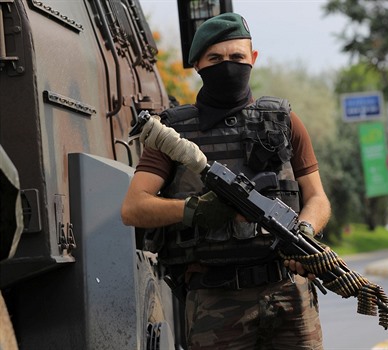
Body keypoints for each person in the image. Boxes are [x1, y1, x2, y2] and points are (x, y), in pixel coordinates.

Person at [121, 12, 331, 350]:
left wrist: (304, 231)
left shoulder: (285, 121)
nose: (228, 65)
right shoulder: (171, 132)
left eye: (237, 57)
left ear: (254, 59)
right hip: (215, 300)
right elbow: (133, 208)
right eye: (215, 58)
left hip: (289, 293)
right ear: (198, 64)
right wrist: (194, 210)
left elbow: (317, 198)